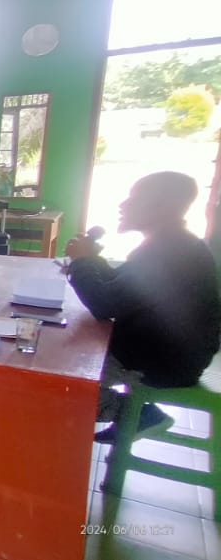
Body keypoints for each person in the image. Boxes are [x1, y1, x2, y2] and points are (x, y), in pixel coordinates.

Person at [66, 171, 220, 444]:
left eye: (135, 198)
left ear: (163, 207)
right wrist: (92, 260)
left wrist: (82, 263)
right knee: (62, 350)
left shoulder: (171, 252)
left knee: (53, 380)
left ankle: (133, 414)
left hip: (162, 362)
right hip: (161, 351)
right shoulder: (171, 244)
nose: (123, 205)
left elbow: (105, 303)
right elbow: (120, 284)